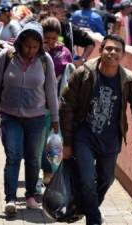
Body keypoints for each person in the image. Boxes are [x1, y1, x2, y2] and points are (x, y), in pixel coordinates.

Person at [60, 34, 132, 225]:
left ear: (122, 55)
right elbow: (66, 105)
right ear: (100, 51)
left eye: (117, 50)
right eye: (109, 48)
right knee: (87, 179)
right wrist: (67, 143)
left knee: (106, 180)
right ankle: (94, 220)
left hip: (110, 140)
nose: (113, 52)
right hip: (84, 137)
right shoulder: (83, 73)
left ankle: (83, 207)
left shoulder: (129, 80)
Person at [0, 21, 59, 215]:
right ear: (20, 43)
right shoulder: (5, 57)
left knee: (33, 159)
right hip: (10, 116)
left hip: (37, 118)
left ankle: (31, 195)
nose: (31, 50)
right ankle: (11, 199)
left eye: (35, 46)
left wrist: (56, 118)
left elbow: (51, 90)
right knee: (13, 156)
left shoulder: (45, 60)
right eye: (27, 46)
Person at [41, 16, 73, 184]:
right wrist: (43, 52)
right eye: (47, 38)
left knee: (55, 141)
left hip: (59, 105)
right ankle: (46, 172)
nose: (52, 42)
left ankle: (55, 173)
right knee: (41, 143)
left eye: (54, 38)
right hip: (40, 104)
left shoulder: (65, 51)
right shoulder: (36, 52)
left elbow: (70, 75)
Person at [47, 0, 95, 67]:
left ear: (63, 13)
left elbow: (90, 43)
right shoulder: (41, 27)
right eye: (48, 13)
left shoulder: (69, 29)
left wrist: (81, 60)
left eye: (54, 13)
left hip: (64, 72)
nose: (51, 16)